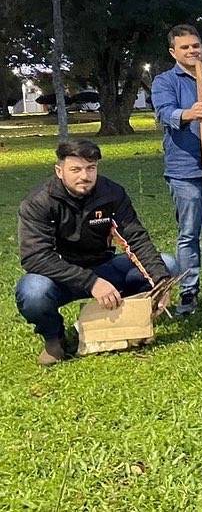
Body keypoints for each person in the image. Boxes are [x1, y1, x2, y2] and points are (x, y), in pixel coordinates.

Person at [16, 140, 176, 365]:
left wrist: (160, 281)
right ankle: (55, 338)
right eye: (76, 169)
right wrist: (91, 282)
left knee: (167, 264)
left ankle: (129, 319)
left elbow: (136, 238)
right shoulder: (38, 202)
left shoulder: (111, 193)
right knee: (32, 291)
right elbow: (35, 257)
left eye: (91, 168)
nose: (85, 176)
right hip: (62, 277)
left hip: (105, 267)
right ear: (59, 171)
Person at [152, 24, 202, 315]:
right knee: (188, 232)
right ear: (173, 52)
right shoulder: (165, 82)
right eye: (185, 47)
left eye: (195, 46)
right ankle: (189, 291)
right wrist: (188, 114)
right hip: (184, 170)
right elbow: (164, 113)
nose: (192, 51)